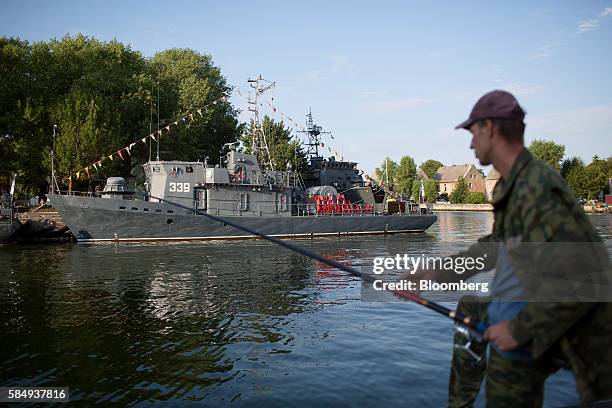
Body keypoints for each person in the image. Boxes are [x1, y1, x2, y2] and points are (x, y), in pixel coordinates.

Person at [406, 90, 612, 407]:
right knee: (470, 310)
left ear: (489, 127)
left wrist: (518, 329)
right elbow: (495, 247)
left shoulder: (537, 186)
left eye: (473, 133)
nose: (471, 144)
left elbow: (588, 277)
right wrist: (436, 272)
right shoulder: (513, 184)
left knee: (506, 367)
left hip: (569, 328)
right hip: (538, 308)